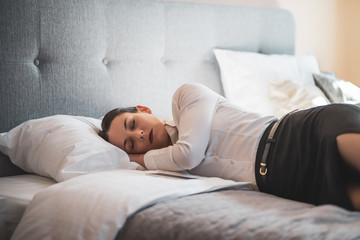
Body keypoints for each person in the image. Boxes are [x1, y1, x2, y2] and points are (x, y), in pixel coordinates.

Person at [99, 83, 360, 211]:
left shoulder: (186, 97)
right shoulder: (166, 171)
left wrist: (141, 159)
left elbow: (188, 154)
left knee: (342, 144)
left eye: (133, 123)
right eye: (131, 143)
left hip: (296, 134)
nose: (141, 134)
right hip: (285, 182)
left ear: (143, 109)